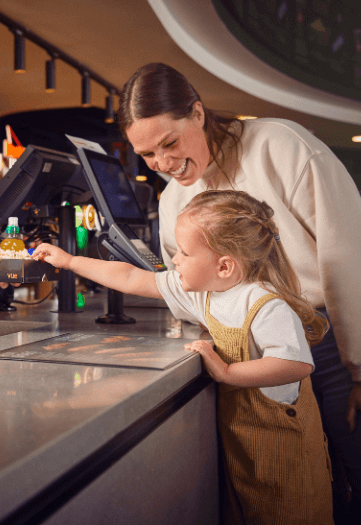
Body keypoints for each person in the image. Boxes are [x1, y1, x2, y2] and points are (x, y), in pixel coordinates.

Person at [118, 62, 361, 524]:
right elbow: (188, 281)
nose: (164, 164)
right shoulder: (173, 200)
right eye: (147, 155)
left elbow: (348, 253)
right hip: (245, 354)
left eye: (169, 143)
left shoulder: (280, 145)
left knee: (354, 462)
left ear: (197, 113)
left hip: (327, 340)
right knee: (301, 482)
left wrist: (360, 366)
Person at [34, 190, 333, 524]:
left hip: (283, 447)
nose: (174, 260)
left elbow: (295, 364)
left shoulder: (265, 305)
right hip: (244, 442)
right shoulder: (205, 291)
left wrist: (227, 373)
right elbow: (132, 277)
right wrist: (69, 261)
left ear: (224, 265)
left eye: (184, 253)